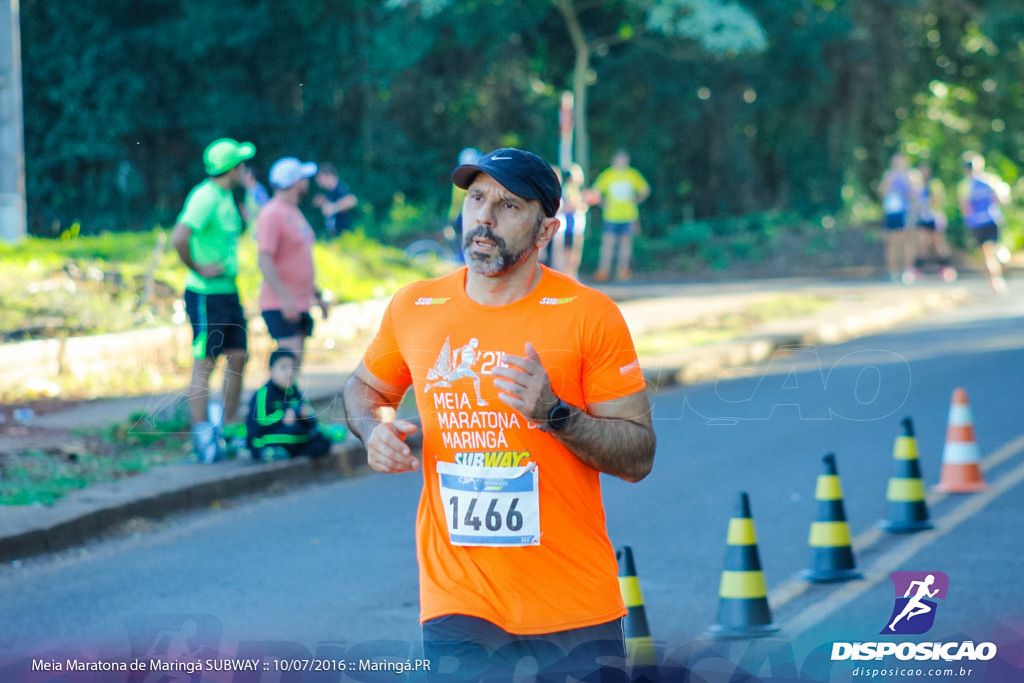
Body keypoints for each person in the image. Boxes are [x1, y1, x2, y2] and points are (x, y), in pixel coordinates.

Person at [342, 147, 656, 681]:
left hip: (572, 601)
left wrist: (554, 414)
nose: (484, 217)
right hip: (458, 599)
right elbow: (364, 387)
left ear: (546, 231)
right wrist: (374, 429)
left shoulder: (589, 316)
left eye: (509, 206)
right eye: (477, 198)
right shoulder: (416, 307)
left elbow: (638, 456)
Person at [171, 137, 255, 463]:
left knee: (238, 356)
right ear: (232, 168)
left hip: (228, 292)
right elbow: (180, 236)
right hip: (206, 295)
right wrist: (199, 267)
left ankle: (228, 427)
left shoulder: (226, 196)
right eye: (241, 163)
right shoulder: (204, 196)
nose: (245, 169)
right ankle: (203, 434)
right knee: (205, 362)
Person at [257, 157, 330, 364]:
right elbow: (264, 259)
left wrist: (316, 295)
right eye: (304, 178)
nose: (307, 183)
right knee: (286, 367)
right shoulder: (271, 213)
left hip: (301, 302)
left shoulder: (294, 210)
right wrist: (285, 297)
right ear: (296, 182)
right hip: (281, 304)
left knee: (295, 366)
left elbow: (297, 257)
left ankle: (291, 398)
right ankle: (275, 398)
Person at [246, 349, 340, 461]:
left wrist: (306, 416)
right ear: (271, 370)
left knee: (321, 441)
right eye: (283, 368)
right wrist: (283, 417)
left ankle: (283, 453)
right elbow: (259, 422)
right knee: (285, 438)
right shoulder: (264, 393)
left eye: (293, 368)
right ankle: (270, 452)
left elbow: (309, 415)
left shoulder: (294, 391)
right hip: (268, 436)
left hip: (295, 434)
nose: (289, 373)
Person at [590, 150, 650, 282]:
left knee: (626, 243)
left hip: (628, 215)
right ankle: (603, 270)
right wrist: (602, 203)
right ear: (614, 161)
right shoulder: (607, 174)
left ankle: (622, 270)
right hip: (611, 216)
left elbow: (645, 190)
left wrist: (636, 200)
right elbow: (595, 192)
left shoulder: (632, 174)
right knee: (608, 243)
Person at [958, 152, 1009, 295]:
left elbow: (964, 208)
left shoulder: (965, 185)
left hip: (977, 223)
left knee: (986, 253)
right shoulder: (990, 180)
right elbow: (1001, 199)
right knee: (992, 250)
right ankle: (1000, 268)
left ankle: (994, 282)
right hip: (992, 219)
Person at [878, 152, 919, 283]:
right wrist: (888, 184)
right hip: (892, 212)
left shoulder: (912, 175)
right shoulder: (888, 175)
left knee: (907, 241)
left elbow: (916, 194)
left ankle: (908, 270)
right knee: (892, 242)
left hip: (907, 212)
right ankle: (893, 271)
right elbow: (881, 193)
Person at [912, 162, 954, 279]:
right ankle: (918, 269)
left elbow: (938, 200)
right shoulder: (917, 186)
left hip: (935, 218)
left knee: (938, 244)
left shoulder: (934, 184)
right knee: (921, 244)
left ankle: (946, 269)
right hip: (923, 218)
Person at [312, 162, 358, 239]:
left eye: (320, 177)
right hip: (334, 234)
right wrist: (324, 201)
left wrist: (333, 208)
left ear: (328, 176)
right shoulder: (330, 192)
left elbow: (351, 200)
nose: (318, 181)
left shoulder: (340, 188)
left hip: (343, 234)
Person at [240, 166, 270, 234]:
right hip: (253, 231)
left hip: (260, 231)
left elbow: (266, 209)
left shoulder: (258, 190)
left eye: (245, 175)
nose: (243, 178)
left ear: (252, 177)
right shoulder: (249, 192)